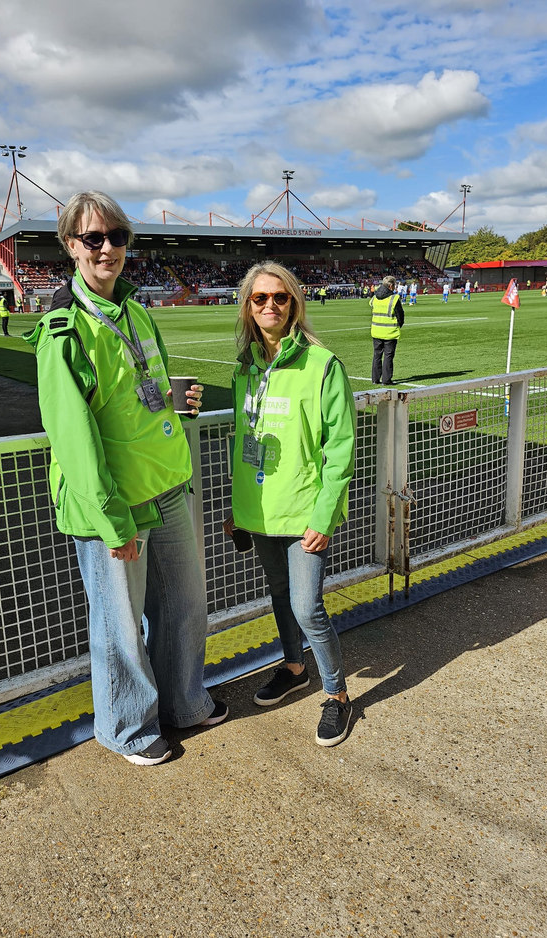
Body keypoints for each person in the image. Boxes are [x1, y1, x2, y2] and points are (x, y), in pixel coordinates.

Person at [24, 191, 227, 767]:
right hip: (113, 501)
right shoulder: (62, 331)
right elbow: (73, 439)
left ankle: (184, 703)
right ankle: (125, 729)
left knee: (185, 606)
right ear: (71, 247)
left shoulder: (135, 309)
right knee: (120, 629)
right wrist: (111, 520)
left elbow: (135, 391)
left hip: (165, 484)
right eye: (93, 238)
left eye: (117, 237)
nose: (107, 248)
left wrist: (170, 397)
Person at [223, 261, 356, 747]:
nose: (270, 306)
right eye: (260, 299)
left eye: (280, 297)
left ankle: (338, 695)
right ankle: (295, 667)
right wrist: (237, 508)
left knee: (307, 606)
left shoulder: (323, 365)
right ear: (248, 307)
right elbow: (244, 442)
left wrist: (324, 516)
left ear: (295, 303)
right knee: (279, 596)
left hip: (304, 512)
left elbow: (340, 449)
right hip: (259, 510)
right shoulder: (244, 369)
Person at [370, 275, 405, 385]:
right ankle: (386, 380)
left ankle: (375, 379)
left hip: (376, 330)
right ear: (390, 286)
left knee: (377, 355)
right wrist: (399, 324)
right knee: (388, 356)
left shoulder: (374, 297)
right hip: (390, 332)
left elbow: (372, 306)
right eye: (394, 285)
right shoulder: (394, 298)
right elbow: (400, 315)